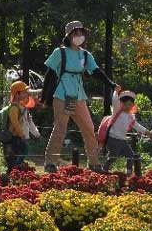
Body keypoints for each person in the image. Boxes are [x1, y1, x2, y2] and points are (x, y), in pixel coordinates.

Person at [41, 21, 116, 172]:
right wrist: (44, 97)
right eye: (76, 33)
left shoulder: (85, 54)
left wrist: (111, 84)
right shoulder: (60, 52)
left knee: (89, 128)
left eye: (81, 33)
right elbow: (49, 75)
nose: (79, 36)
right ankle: (50, 163)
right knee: (60, 129)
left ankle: (94, 163)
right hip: (63, 94)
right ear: (68, 35)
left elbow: (95, 72)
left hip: (78, 95)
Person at [102, 87, 152, 174]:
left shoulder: (131, 116)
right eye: (125, 104)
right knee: (113, 156)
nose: (128, 106)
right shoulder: (117, 112)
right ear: (120, 103)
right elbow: (114, 100)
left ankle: (129, 172)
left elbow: (137, 126)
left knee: (130, 155)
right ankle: (104, 169)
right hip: (113, 138)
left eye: (130, 104)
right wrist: (116, 91)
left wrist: (148, 133)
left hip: (122, 140)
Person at [3, 82, 40, 172]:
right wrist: (21, 134)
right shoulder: (14, 108)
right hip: (16, 137)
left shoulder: (23, 108)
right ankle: (14, 170)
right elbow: (15, 122)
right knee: (18, 155)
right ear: (17, 94)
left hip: (22, 136)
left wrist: (36, 133)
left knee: (22, 153)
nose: (27, 94)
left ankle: (16, 170)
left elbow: (29, 121)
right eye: (24, 92)